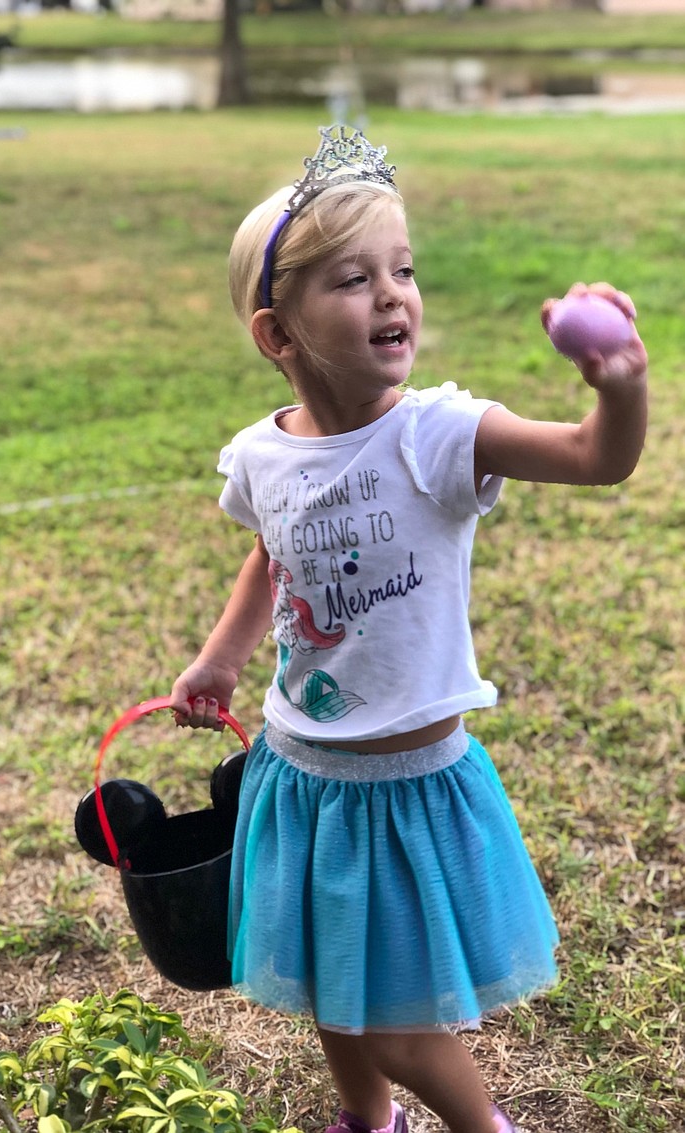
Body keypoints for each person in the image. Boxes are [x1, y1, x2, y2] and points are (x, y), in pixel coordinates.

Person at [169, 125, 648, 1133]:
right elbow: (270, 554)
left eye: (404, 270)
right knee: (324, 981)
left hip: (407, 786)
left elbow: (594, 457)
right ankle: (369, 1119)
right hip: (303, 770)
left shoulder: (437, 434)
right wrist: (220, 657)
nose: (394, 295)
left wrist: (619, 389)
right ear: (278, 334)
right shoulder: (262, 454)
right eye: (354, 279)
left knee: (390, 1015)